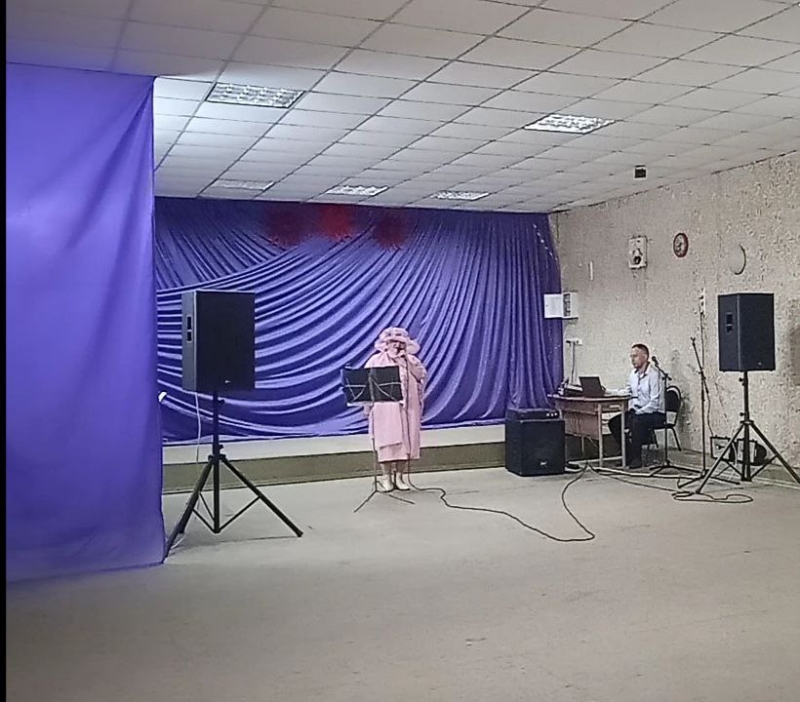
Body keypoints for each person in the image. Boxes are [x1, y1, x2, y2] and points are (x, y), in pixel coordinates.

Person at [364, 327, 427, 492]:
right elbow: (366, 384)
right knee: (386, 442)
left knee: (406, 443)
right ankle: (386, 478)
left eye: (400, 343)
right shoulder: (375, 361)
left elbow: (421, 376)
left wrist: (406, 360)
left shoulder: (411, 361)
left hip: (408, 409)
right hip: (385, 409)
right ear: (386, 344)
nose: (396, 345)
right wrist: (367, 407)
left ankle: (399, 477)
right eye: (392, 342)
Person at [608, 343, 665, 469]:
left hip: (654, 413)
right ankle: (628, 455)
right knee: (614, 423)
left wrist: (639, 412)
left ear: (645, 357)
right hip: (638, 411)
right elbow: (628, 391)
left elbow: (655, 403)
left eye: (635, 356)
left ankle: (637, 458)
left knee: (636, 421)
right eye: (631, 357)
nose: (632, 360)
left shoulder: (655, 375)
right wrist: (609, 392)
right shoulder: (633, 374)